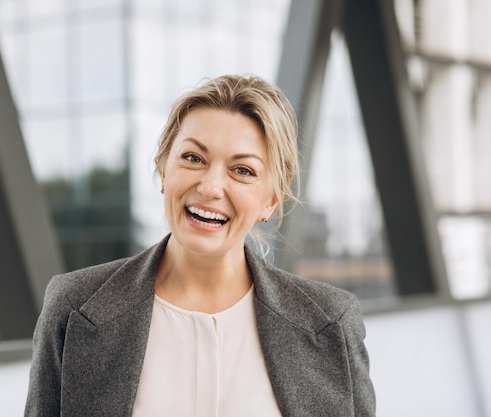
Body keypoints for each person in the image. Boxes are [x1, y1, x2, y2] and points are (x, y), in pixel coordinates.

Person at [24, 74, 376, 417]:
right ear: (164, 169)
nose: (210, 187)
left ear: (270, 201)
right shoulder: (73, 307)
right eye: (193, 158)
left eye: (243, 170)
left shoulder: (332, 321)